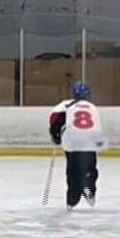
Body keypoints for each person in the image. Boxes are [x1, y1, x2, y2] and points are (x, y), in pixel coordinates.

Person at [48, 80, 106, 209]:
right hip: (90, 140)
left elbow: (55, 120)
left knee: (72, 170)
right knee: (90, 167)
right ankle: (88, 187)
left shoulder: (67, 105)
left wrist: (55, 136)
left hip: (72, 140)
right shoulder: (92, 107)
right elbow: (96, 127)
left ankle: (72, 200)